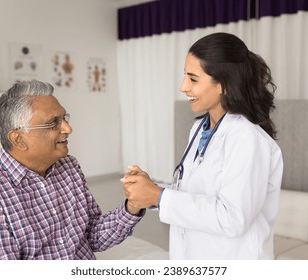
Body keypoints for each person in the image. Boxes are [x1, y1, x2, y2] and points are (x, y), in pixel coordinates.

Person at [121, 32, 283, 259]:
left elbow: (233, 218)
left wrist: (158, 196)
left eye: (193, 78)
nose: (183, 86)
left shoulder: (247, 138)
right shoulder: (199, 129)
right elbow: (195, 193)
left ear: (224, 84)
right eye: (184, 76)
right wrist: (151, 189)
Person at [0, 80, 145, 260]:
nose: (68, 128)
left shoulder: (69, 166)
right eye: (53, 123)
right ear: (19, 139)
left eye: (64, 118)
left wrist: (132, 206)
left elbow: (93, 237)